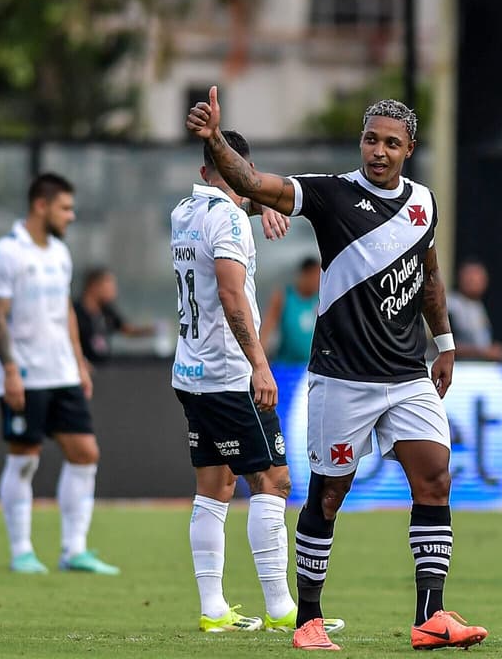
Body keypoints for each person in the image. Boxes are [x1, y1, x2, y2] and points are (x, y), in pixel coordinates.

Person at [187, 88, 489, 651]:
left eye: (391, 143)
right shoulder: (330, 195)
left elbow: (429, 274)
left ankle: (431, 616)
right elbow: (254, 186)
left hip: (407, 375)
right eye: (371, 139)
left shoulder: (424, 201)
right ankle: (308, 619)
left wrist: (444, 342)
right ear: (362, 143)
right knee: (328, 495)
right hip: (342, 378)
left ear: (409, 149)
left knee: (435, 479)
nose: (379, 151)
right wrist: (216, 140)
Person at [171, 130, 344, 635]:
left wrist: (254, 206)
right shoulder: (226, 219)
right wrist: (259, 365)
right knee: (274, 481)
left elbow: (221, 217)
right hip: (230, 373)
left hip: (190, 371)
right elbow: (231, 295)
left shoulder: (185, 212)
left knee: (214, 486)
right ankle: (281, 606)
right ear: (239, 172)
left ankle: (213, 609)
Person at [0, 173, 119, 576]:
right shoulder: (4, 253)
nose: (71, 216)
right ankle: (21, 551)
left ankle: (73, 551)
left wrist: (78, 361)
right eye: (65, 207)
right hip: (24, 374)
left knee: (85, 453)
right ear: (41, 206)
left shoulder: (60, 253)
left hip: (61, 372)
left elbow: (66, 313)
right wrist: (9, 371)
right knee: (25, 459)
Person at [73, 266, 155, 367]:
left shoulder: (107, 311)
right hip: (81, 371)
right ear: (94, 286)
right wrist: (80, 362)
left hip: (104, 370)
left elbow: (128, 330)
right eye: (109, 285)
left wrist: (152, 330)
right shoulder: (75, 312)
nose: (114, 290)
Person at [259, 257, 320, 367]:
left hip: (312, 367)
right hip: (286, 366)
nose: (319, 281)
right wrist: (259, 364)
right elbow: (266, 331)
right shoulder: (283, 297)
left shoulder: (321, 299)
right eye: (315, 276)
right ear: (305, 274)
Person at [445, 259, 502, 361]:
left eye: (479, 278)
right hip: (458, 368)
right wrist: (482, 352)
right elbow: (444, 346)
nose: (474, 281)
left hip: (478, 369)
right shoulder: (451, 305)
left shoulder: (479, 306)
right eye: (470, 277)